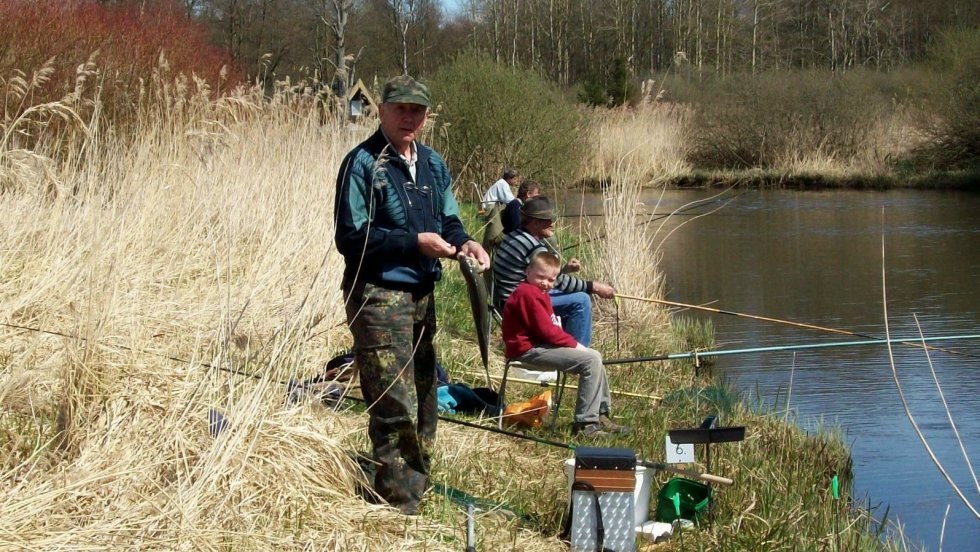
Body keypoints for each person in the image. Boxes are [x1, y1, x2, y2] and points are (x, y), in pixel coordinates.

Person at [334, 75, 490, 515]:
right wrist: (414, 242)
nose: (409, 117)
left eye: (417, 110)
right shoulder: (362, 163)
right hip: (378, 295)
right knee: (393, 401)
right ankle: (397, 504)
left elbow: (449, 219)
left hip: (423, 295)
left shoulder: (434, 164)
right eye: (400, 108)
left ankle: (416, 484)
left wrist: (465, 243)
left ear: (426, 116)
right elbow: (350, 237)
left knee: (424, 396)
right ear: (381, 111)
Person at [501, 248, 628, 437]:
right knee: (590, 361)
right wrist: (575, 345)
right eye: (540, 277)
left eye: (551, 280)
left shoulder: (539, 292)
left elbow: (550, 330)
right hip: (526, 350)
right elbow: (547, 331)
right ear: (528, 272)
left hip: (539, 345)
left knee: (595, 356)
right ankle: (585, 425)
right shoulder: (527, 293)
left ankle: (600, 413)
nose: (545, 283)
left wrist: (572, 345)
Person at [492, 196, 615, 347]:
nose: (553, 223)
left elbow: (544, 278)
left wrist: (564, 270)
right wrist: (594, 286)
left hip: (512, 297)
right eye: (548, 220)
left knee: (579, 295)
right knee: (582, 300)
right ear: (535, 223)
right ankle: (577, 353)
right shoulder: (533, 247)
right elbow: (560, 282)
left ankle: (561, 342)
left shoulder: (514, 236)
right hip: (520, 303)